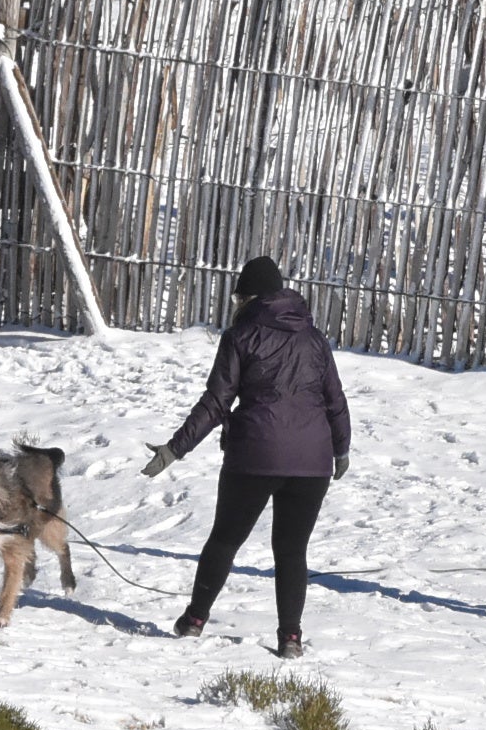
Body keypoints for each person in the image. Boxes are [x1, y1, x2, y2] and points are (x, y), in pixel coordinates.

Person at [143, 255, 349, 658]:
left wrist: (174, 449)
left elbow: (216, 403)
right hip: (312, 463)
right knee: (292, 550)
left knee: (224, 540)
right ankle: (290, 638)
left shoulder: (240, 335)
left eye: (237, 296)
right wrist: (340, 448)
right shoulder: (314, 338)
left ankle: (195, 620)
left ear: (246, 297)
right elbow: (335, 400)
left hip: (255, 456)